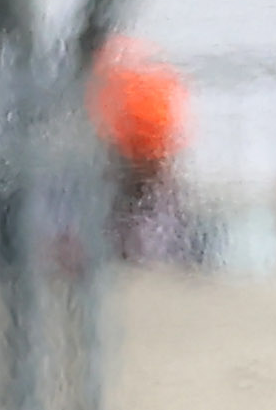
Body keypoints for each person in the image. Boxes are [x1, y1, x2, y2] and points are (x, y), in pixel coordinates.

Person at [88, 39, 208, 270]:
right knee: (144, 208)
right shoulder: (145, 75)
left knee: (139, 208)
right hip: (139, 149)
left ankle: (139, 257)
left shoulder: (119, 76)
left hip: (135, 150)